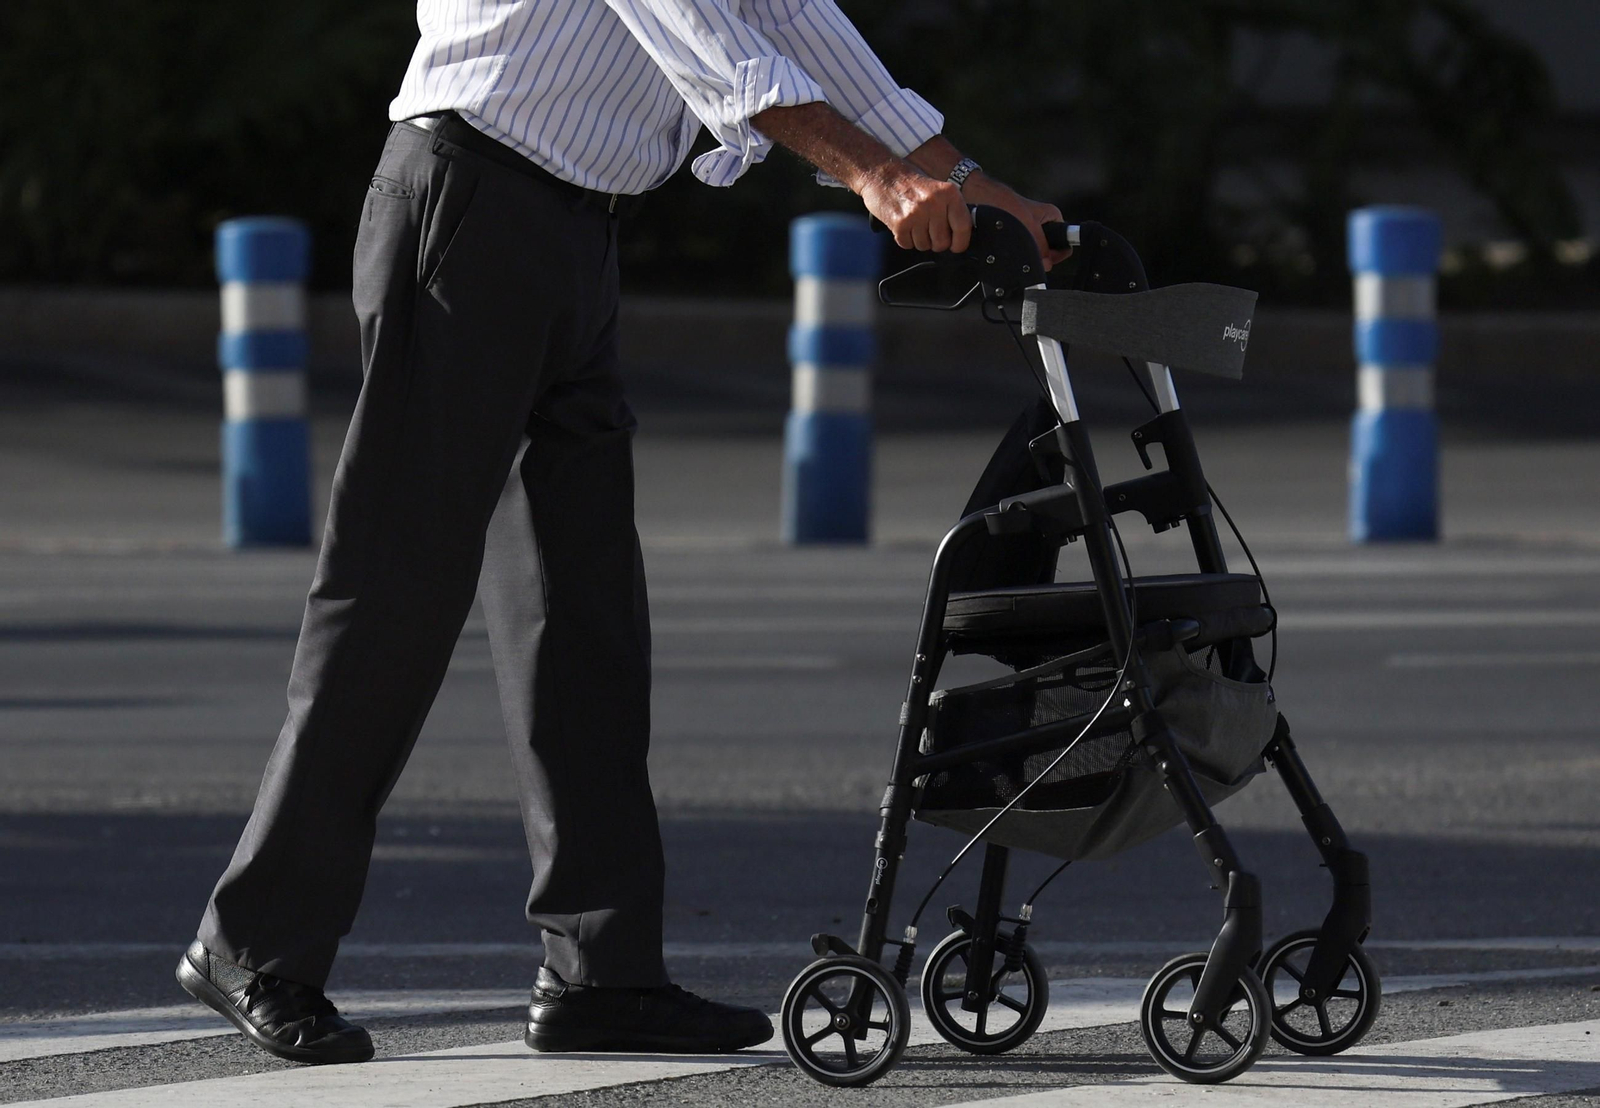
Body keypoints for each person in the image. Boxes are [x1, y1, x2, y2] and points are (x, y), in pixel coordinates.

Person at [176, 0, 1070, 1065]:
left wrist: (967, 180)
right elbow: (701, 34)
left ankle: (599, 971)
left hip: (569, 229)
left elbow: (791, 17)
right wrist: (875, 176)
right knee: (395, 589)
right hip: (468, 200)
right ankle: (253, 942)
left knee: (582, 612)